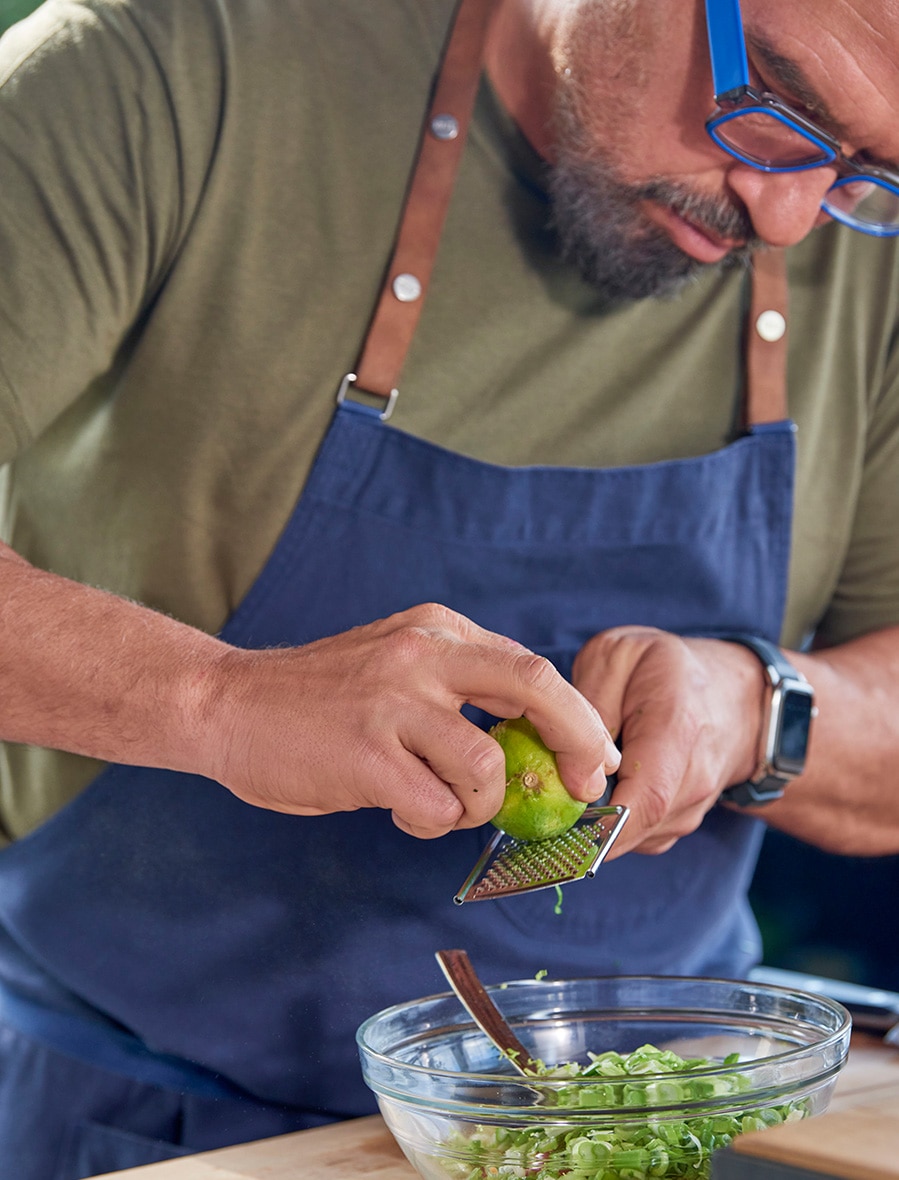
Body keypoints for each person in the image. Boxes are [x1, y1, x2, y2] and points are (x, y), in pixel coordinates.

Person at [1, 0, 899, 1173]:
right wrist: (214, 701)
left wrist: (755, 707)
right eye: (772, 104)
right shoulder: (165, 67)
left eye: (868, 169)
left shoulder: (852, 245)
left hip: (646, 1131)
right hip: (137, 1125)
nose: (785, 211)